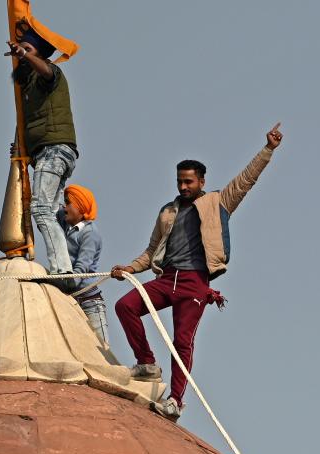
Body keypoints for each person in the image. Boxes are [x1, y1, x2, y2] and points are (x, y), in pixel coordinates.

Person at [110, 124, 283, 420]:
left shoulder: (217, 202)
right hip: (166, 279)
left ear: (202, 181)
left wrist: (267, 149)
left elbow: (246, 181)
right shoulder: (168, 211)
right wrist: (129, 268)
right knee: (124, 306)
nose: (183, 187)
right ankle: (147, 363)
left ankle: (176, 401)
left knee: (182, 341)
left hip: (194, 283)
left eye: (189, 182)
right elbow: (151, 251)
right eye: (180, 182)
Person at [6, 25, 78, 281]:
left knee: (41, 209)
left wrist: (24, 56)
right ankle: (69, 266)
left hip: (54, 150)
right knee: (55, 214)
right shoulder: (27, 86)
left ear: (41, 55)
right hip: (46, 153)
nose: (21, 54)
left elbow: (47, 71)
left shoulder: (50, 73)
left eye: (29, 49)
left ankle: (63, 271)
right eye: (20, 50)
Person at [59, 184, 108, 342]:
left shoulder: (90, 233)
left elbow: (81, 269)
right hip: (69, 299)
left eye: (68, 203)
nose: (64, 207)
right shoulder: (67, 224)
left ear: (80, 207)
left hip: (89, 303)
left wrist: (52, 280)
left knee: (102, 352)